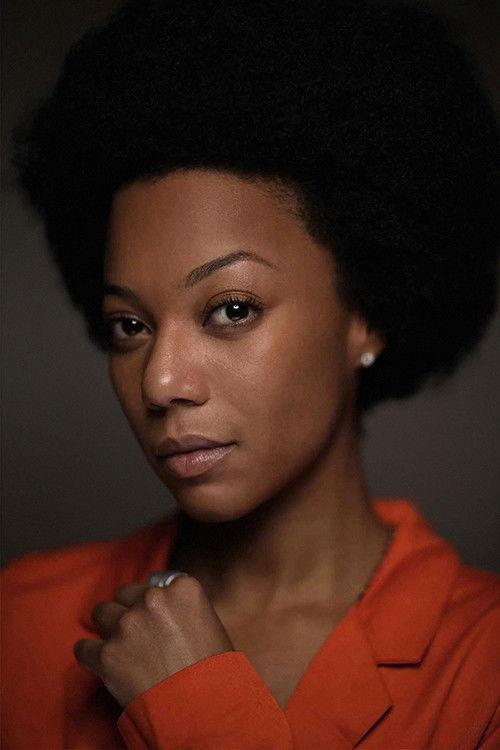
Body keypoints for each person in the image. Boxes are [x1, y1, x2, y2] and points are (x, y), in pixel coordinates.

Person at [2, 0, 499, 747]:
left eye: (231, 309)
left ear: (366, 313)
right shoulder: (20, 622)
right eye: (129, 326)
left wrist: (196, 708)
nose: (160, 382)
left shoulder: (484, 665)